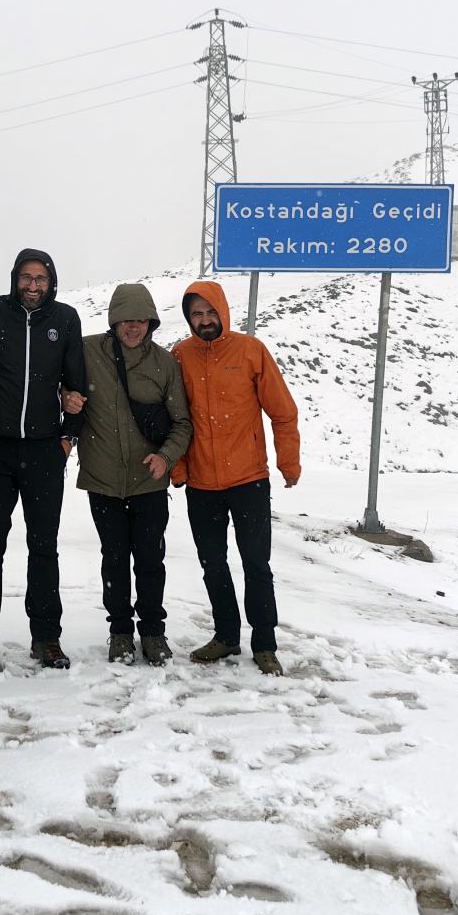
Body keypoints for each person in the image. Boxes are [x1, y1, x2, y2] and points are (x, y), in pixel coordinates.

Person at [0, 250, 85, 672]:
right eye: (26, 277)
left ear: (51, 282)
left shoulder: (65, 319)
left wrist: (67, 438)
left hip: (44, 450)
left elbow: (77, 385)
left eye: (41, 278)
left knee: (44, 547)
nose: (33, 285)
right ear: (15, 279)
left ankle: (46, 638)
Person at [171, 279, 300, 677]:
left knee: (256, 564)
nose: (205, 320)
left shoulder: (250, 351)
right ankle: (226, 636)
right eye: (197, 314)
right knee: (213, 564)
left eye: (210, 312)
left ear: (223, 312)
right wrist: (179, 467)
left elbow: (283, 411)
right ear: (189, 318)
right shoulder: (180, 356)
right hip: (202, 483)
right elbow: (172, 416)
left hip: (249, 480)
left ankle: (265, 643)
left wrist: (289, 462)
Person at [64, 283, 192, 666]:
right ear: (113, 321)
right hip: (102, 479)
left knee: (150, 559)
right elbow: (55, 381)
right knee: (115, 557)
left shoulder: (165, 364)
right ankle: (120, 631)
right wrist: (64, 397)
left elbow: (182, 424)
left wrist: (166, 457)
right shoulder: (86, 351)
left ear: (151, 322)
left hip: (148, 481)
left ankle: (152, 632)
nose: (133, 327)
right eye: (125, 320)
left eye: (141, 320)